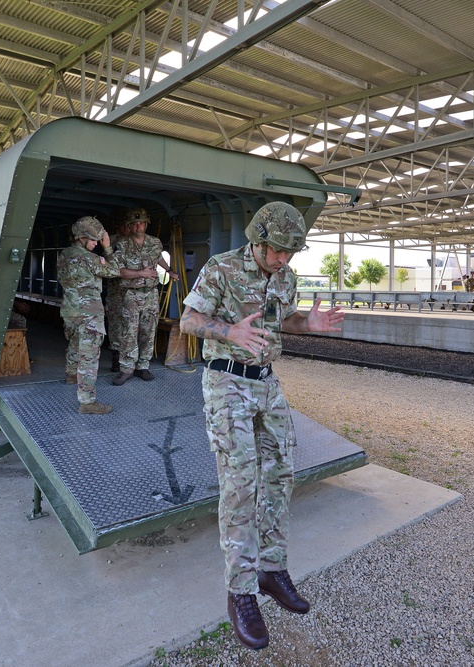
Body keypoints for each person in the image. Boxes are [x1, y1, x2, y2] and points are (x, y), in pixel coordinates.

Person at [180, 202, 344, 651]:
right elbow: (188, 319)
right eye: (276, 251)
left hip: (267, 384)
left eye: (290, 253)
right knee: (239, 485)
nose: (283, 260)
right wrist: (228, 331)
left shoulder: (285, 276)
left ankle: (271, 570)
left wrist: (307, 322)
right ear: (258, 239)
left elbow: (282, 318)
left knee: (280, 476)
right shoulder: (221, 269)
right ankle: (241, 591)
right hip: (227, 381)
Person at [58, 216, 120, 414]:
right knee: (90, 357)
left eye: (99, 241)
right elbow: (115, 270)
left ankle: (70, 375)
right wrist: (108, 248)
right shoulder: (89, 258)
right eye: (94, 240)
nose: (96, 244)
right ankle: (87, 402)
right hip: (89, 314)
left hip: (70, 309)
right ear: (81, 238)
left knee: (75, 345)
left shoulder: (64, 254)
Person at [112, 207, 178, 385]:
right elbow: (117, 271)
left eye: (141, 223)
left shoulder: (155, 243)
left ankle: (143, 366)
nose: (138, 227)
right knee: (129, 332)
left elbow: (158, 258)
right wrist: (141, 273)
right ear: (129, 225)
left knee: (148, 332)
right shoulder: (121, 245)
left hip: (150, 294)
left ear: (146, 224)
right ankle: (126, 369)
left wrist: (169, 270)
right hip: (131, 295)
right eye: (134, 224)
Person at [105, 217, 131, 372]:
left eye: (130, 225)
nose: (127, 228)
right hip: (116, 291)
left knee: (132, 325)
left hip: (132, 291)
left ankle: (130, 358)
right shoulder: (111, 242)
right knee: (115, 324)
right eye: (124, 224)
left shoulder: (136, 243)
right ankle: (116, 358)